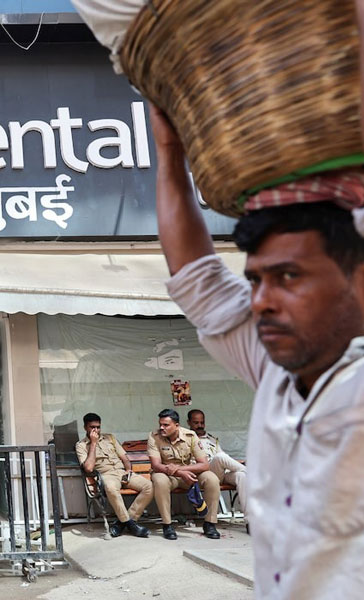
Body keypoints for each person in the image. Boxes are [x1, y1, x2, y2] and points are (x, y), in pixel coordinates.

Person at [152, 102, 364, 595]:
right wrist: (168, 151)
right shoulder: (276, 372)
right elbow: (196, 278)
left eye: (290, 276)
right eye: (255, 280)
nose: (262, 301)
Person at [75, 412, 151, 538]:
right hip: (106, 475)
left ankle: (124, 522)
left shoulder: (110, 438)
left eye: (98, 427)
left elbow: (124, 458)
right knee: (110, 488)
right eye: (92, 427)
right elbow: (88, 468)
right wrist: (93, 443)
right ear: (85, 427)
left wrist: (128, 470)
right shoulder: (81, 445)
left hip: (122, 472)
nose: (96, 430)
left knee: (149, 486)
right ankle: (130, 525)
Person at [148, 409, 221, 540]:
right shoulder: (154, 437)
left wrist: (184, 470)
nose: (161, 428)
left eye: (166, 425)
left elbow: (204, 464)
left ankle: (210, 523)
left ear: (176, 425)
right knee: (159, 481)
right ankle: (167, 524)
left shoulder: (190, 436)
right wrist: (180, 472)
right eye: (160, 424)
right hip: (166, 474)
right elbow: (156, 465)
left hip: (187, 472)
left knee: (212, 479)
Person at [187, 409, 246, 511]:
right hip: (205, 475)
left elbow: (224, 458)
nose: (200, 425)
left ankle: (250, 518)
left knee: (242, 476)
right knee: (220, 457)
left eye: (202, 422)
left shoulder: (211, 439)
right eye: (196, 423)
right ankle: (252, 475)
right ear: (189, 423)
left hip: (220, 472)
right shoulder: (187, 439)